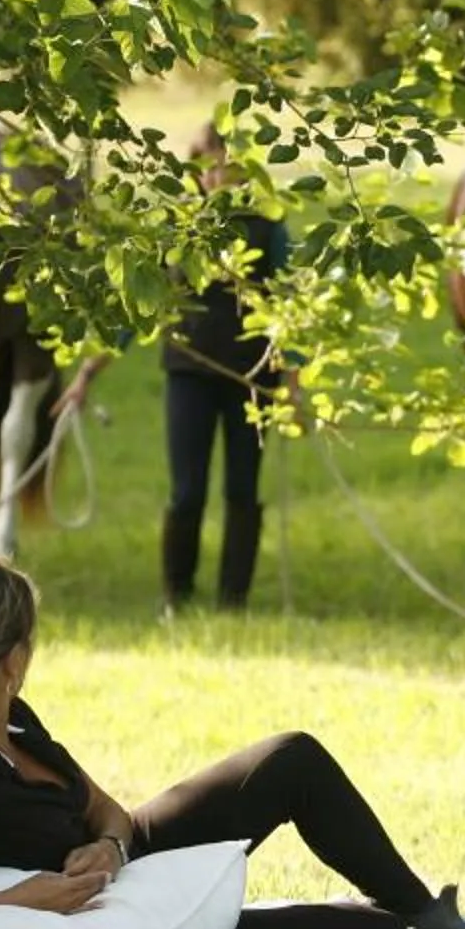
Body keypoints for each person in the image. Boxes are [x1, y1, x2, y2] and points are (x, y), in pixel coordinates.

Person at [0, 555, 465, 929]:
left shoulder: (15, 721)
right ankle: (417, 926)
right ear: (12, 660)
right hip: (127, 914)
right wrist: (25, 900)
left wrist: (110, 846)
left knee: (290, 760)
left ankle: (424, 910)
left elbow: (107, 809)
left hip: (122, 863)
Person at [160, 121, 288, 613]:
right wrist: (87, 374)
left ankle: (234, 599)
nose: (217, 175)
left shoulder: (266, 224)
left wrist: (292, 376)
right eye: (207, 164)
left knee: (242, 488)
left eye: (226, 164)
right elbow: (142, 304)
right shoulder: (177, 226)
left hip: (252, 376)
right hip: (189, 371)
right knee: (187, 490)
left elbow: (289, 302)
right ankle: (176, 594)